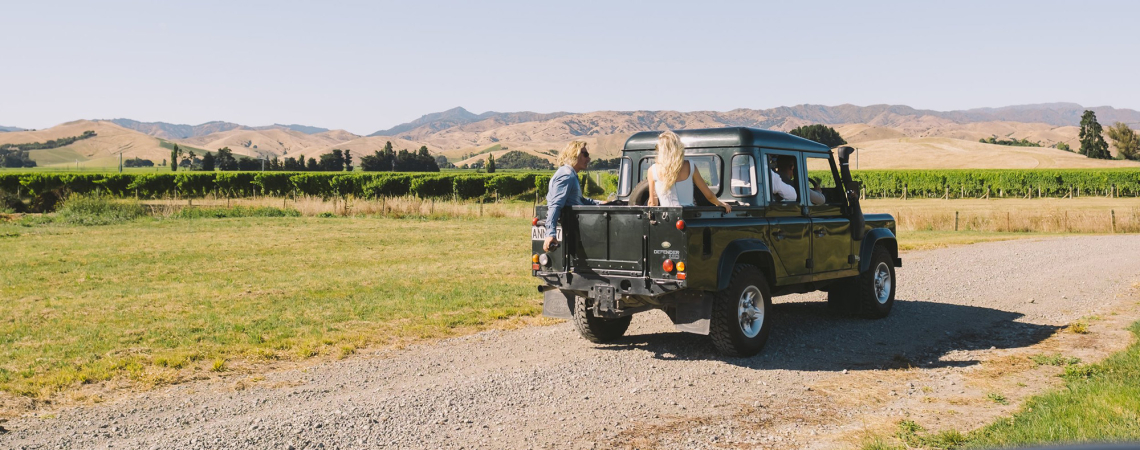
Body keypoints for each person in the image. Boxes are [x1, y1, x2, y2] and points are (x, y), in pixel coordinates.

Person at [646, 131, 731, 212]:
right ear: (678, 147)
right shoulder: (690, 166)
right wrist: (720, 203)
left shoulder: (652, 170)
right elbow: (709, 195)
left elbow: (652, 203)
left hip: (666, 217)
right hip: (688, 215)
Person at [543, 140, 599, 252]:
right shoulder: (566, 175)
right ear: (575, 154)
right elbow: (555, 205)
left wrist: (599, 203)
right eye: (585, 155)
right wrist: (550, 234)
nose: (588, 159)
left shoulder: (571, 174)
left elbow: (578, 200)